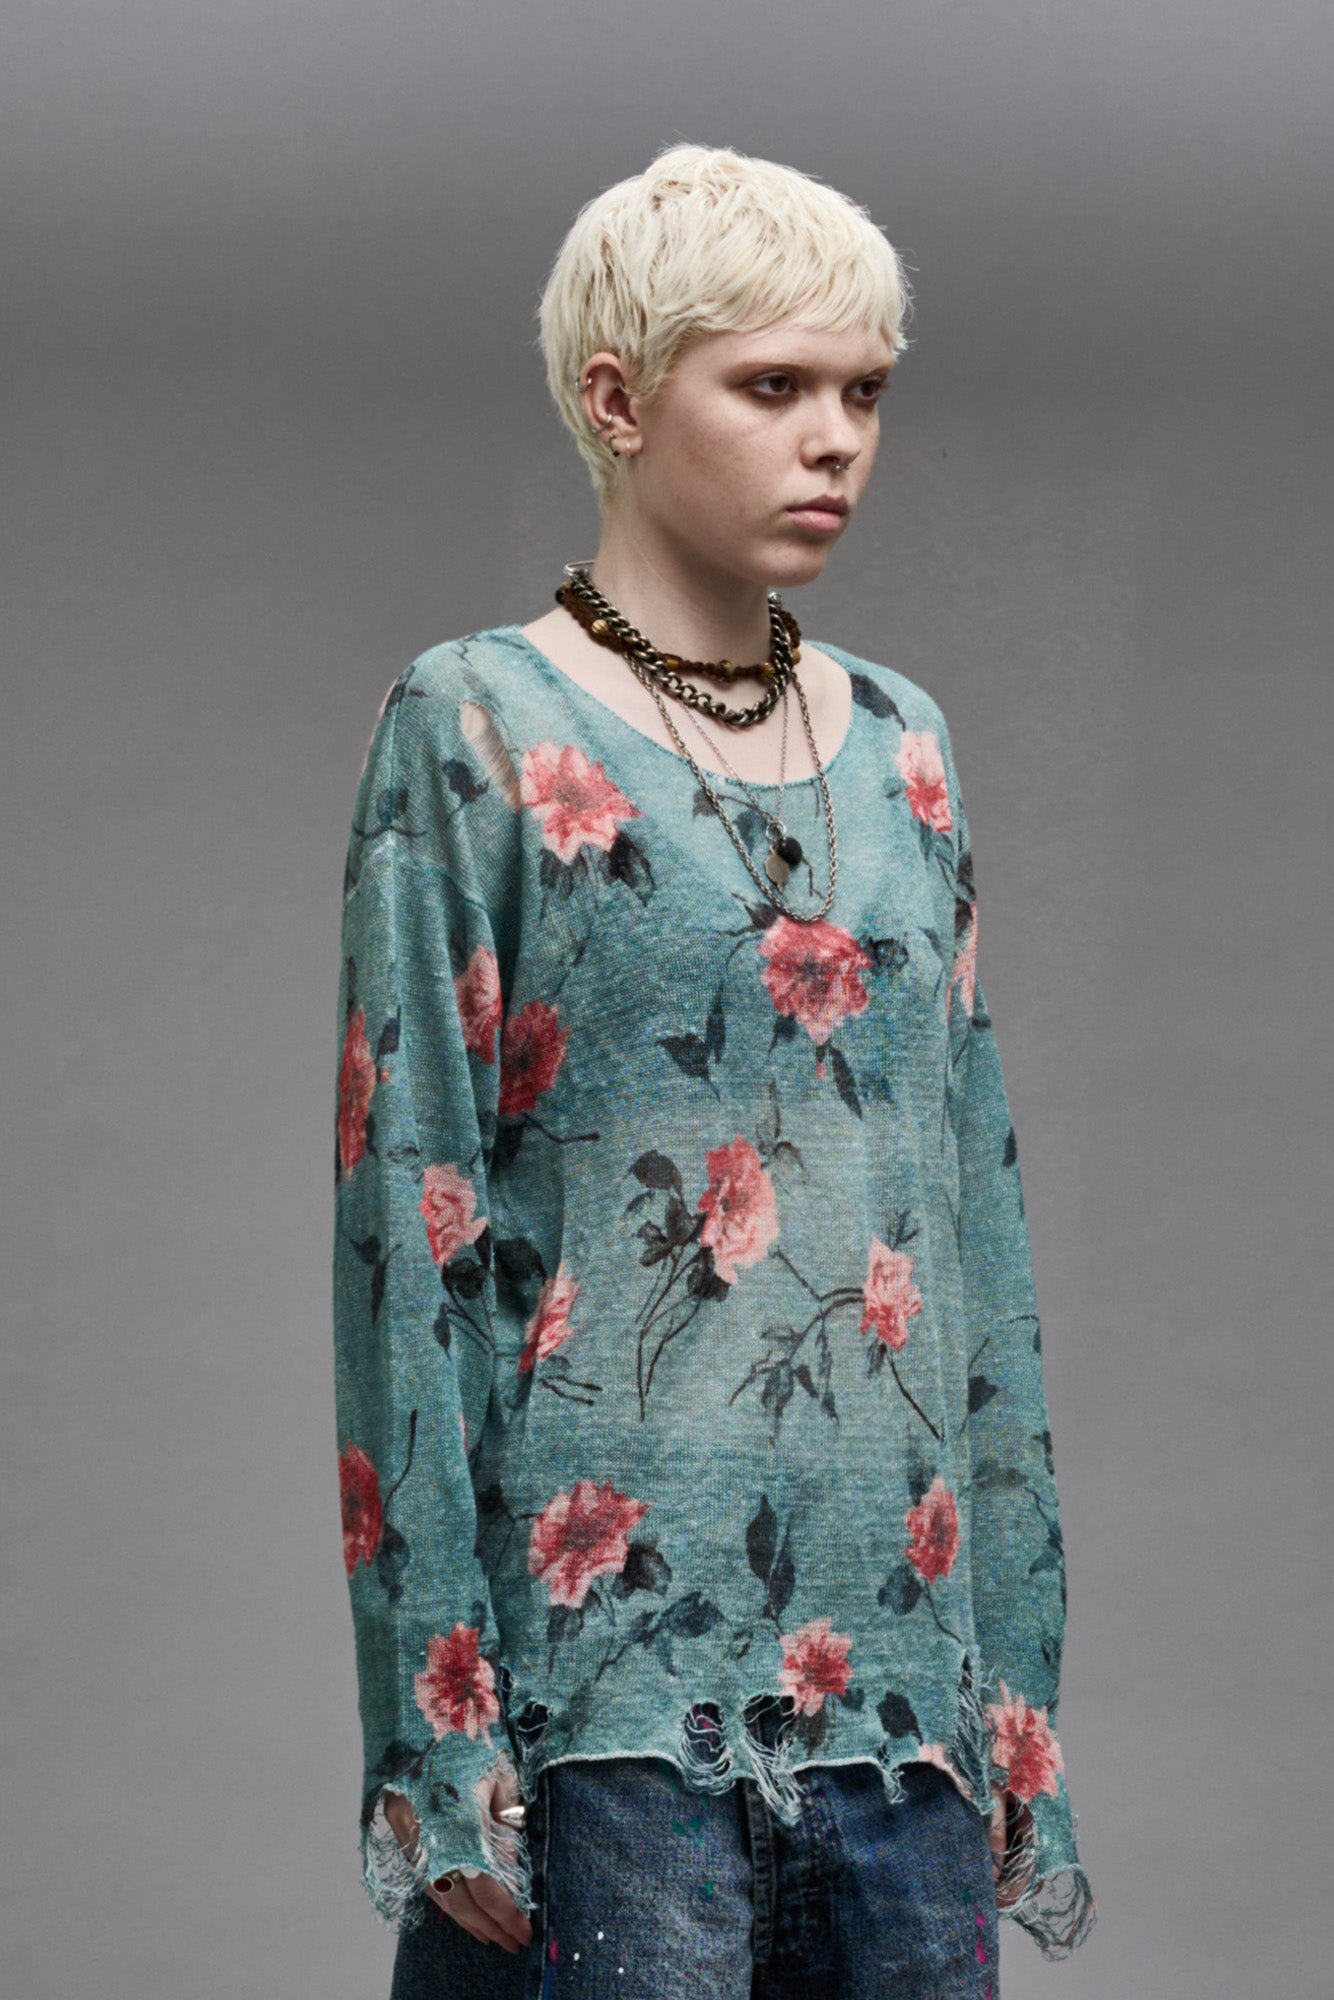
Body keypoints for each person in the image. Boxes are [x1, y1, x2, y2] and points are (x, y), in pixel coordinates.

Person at [333, 143, 1095, 1998]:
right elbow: (408, 1232)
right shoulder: (475, 722)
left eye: (863, 392)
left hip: (902, 1702)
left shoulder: (905, 746)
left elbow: (970, 1222)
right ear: (615, 400)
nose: (835, 439)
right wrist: (438, 1717)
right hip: (605, 1709)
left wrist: (1013, 1688)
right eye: (772, 387)